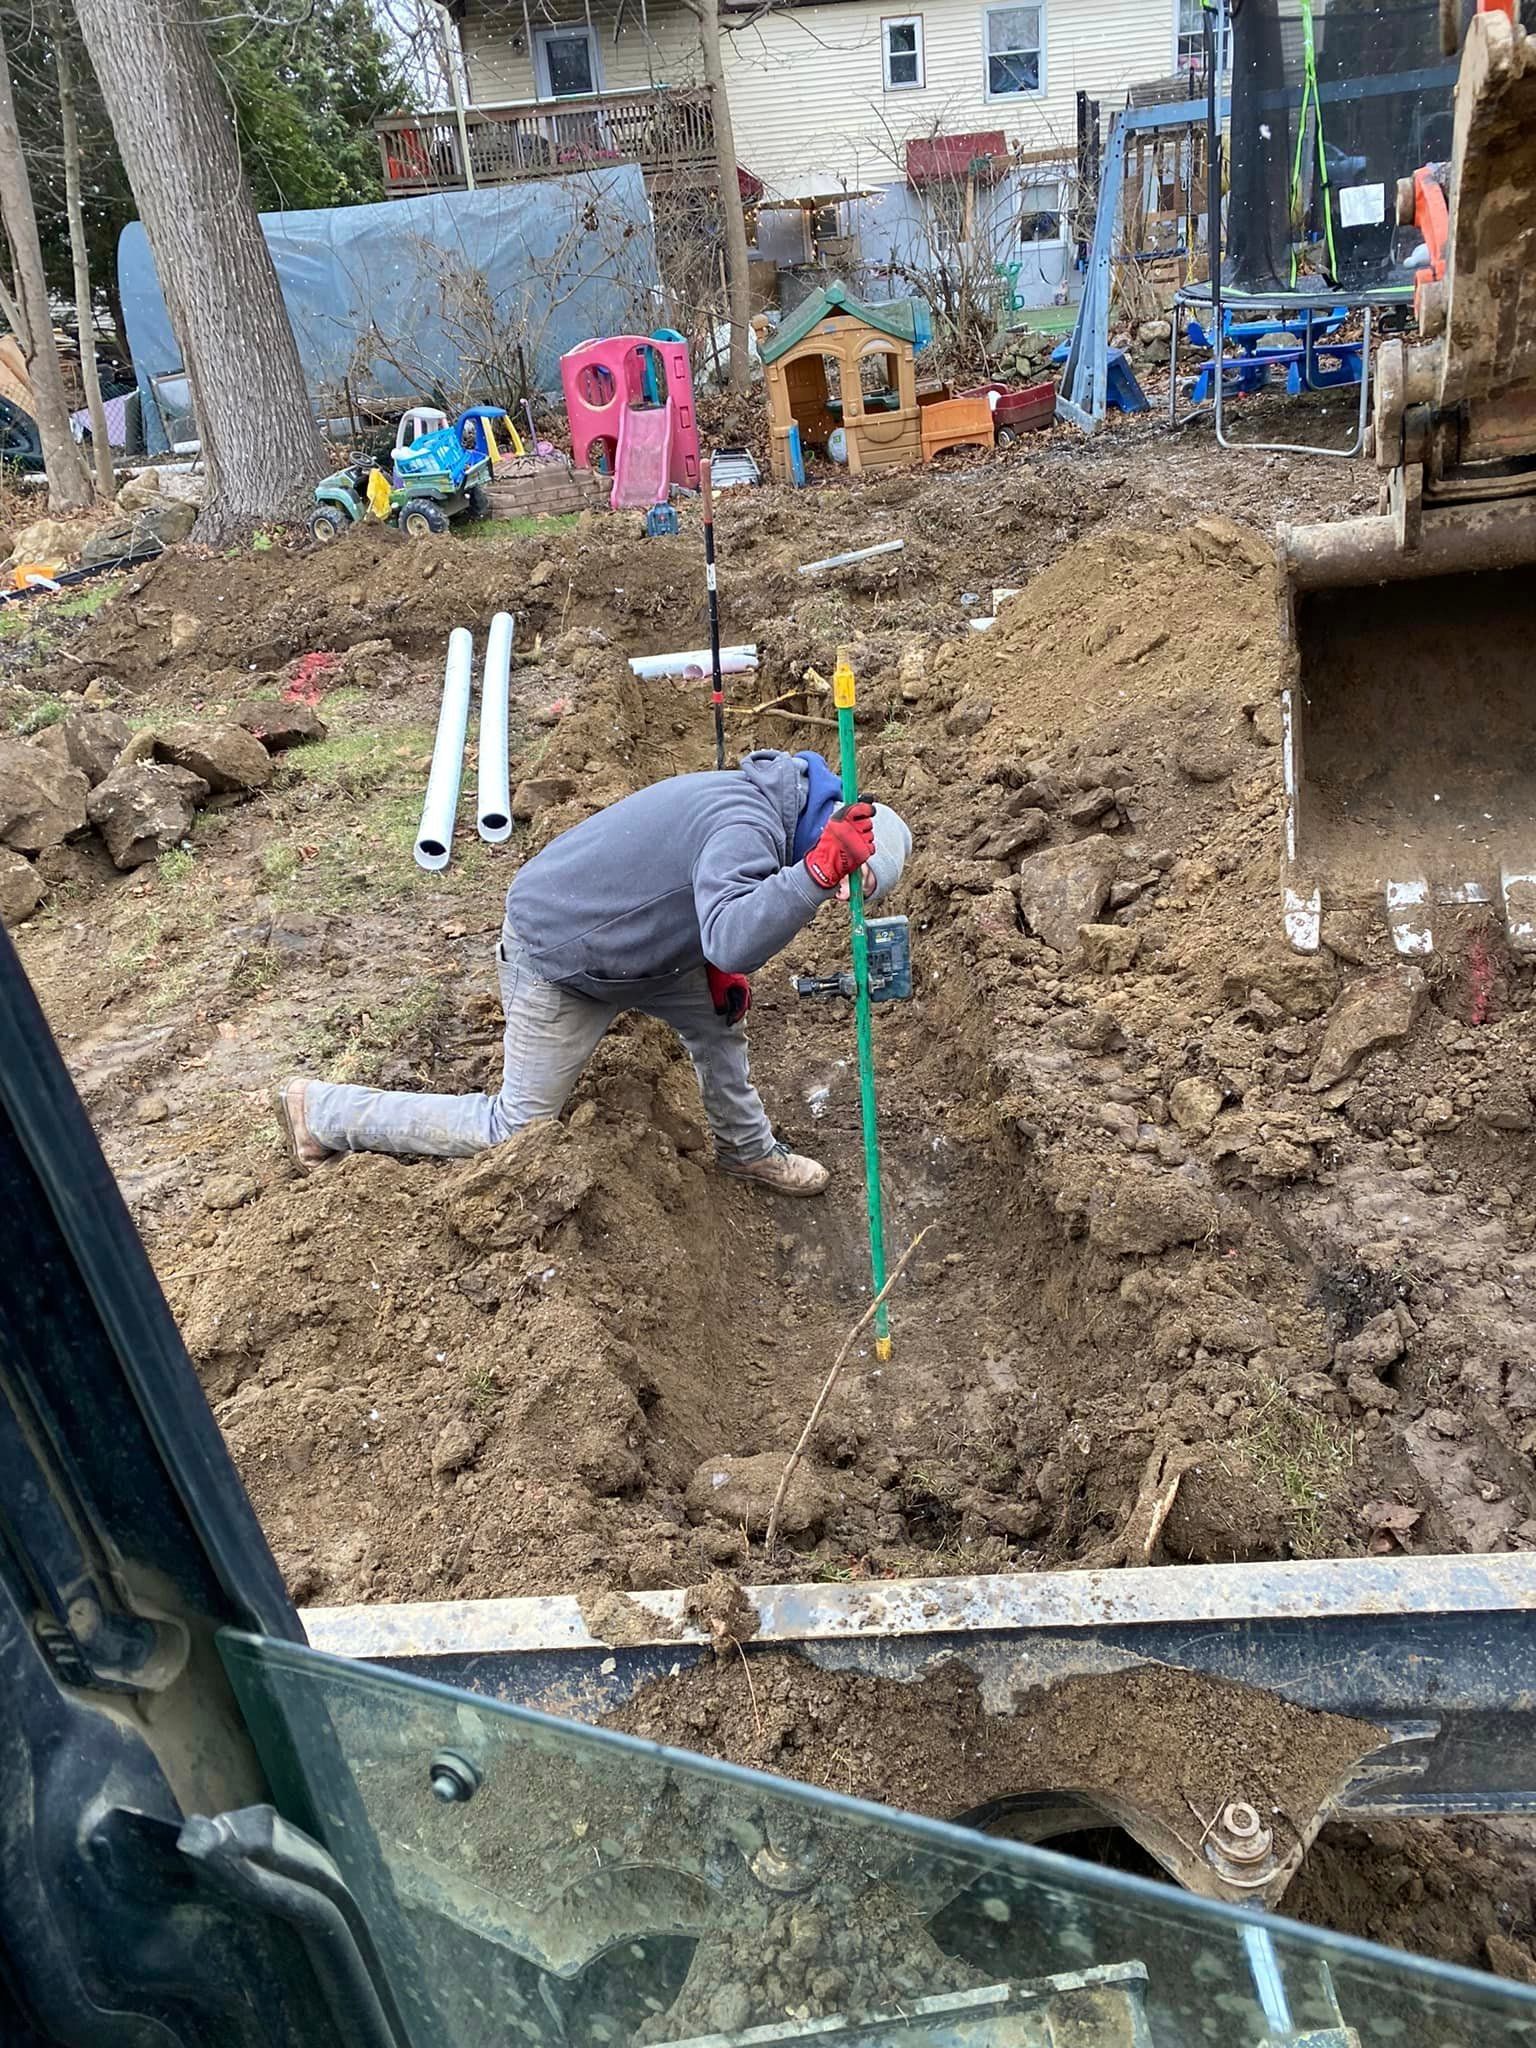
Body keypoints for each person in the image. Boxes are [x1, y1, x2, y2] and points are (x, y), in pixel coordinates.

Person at [277, 749, 910, 1197]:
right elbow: (734, 937)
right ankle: (324, 1111)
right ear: (834, 838)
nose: (837, 897)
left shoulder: (772, 811)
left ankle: (745, 1151)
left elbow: (712, 921)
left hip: (636, 949)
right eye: (848, 882)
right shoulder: (746, 825)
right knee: (516, 1126)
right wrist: (812, 877)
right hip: (563, 958)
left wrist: (711, 962)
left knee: (718, 1024)